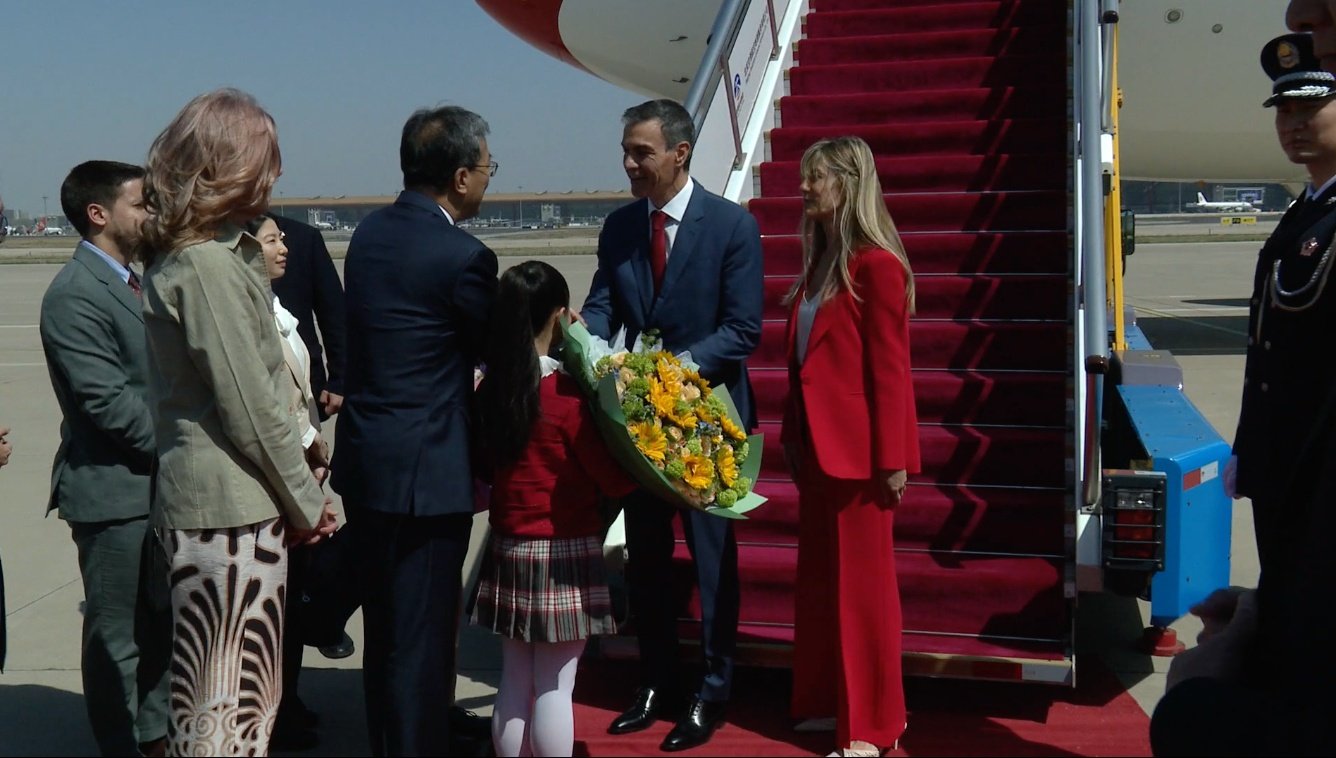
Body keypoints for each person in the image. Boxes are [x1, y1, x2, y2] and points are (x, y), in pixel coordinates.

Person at [139, 88, 336, 756]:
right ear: (225, 166)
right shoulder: (208, 264)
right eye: (264, 160)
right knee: (228, 708)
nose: (274, 175)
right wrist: (308, 502)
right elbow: (251, 406)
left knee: (226, 701)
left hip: (228, 508)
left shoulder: (210, 254)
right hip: (226, 516)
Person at [581, 98, 763, 752]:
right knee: (649, 559)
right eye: (627, 151)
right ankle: (656, 681)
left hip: (708, 420)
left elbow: (742, 330)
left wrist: (670, 374)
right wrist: (582, 347)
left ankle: (712, 691)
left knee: (713, 564)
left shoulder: (732, 228)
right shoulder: (621, 228)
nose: (629, 163)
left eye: (641, 153)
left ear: (679, 154)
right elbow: (603, 311)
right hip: (641, 425)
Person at [331, 104, 499, 756]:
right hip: (426, 476)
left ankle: (405, 731)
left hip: (371, 463)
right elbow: (497, 348)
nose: (490, 180)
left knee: (390, 628)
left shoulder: (372, 234)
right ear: (460, 176)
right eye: (488, 168)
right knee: (422, 632)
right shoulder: (463, 257)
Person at [778, 136, 920, 758]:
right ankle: (825, 701)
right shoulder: (823, 263)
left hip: (862, 458)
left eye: (817, 178)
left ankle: (874, 727)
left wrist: (894, 460)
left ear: (848, 183)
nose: (805, 187)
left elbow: (892, 371)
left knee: (863, 595)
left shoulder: (877, 266)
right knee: (820, 585)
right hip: (818, 451)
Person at [471, 261, 637, 757]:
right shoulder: (565, 397)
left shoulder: (491, 390)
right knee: (555, 685)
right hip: (563, 549)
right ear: (561, 315)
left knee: (515, 679)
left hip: (508, 545)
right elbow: (611, 477)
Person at [37, 160, 172, 757]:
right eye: (143, 203)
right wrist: (186, 449)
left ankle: (154, 735)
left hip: (153, 491)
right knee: (117, 637)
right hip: (113, 495)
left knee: (160, 629)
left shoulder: (135, 281)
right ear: (99, 213)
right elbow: (109, 404)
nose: (152, 214)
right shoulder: (74, 295)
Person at [1227, 33, 1336, 582]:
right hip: (1285, 461)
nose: (1294, 123)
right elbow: (1267, 348)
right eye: (1284, 110)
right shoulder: (1306, 211)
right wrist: (1252, 449)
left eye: (1311, 107)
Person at [247, 214, 331, 750]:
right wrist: (307, 448)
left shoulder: (277, 307)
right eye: (273, 239)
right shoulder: (248, 313)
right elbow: (268, 407)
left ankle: (286, 699)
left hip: (302, 467)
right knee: (270, 607)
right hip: (278, 479)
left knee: (292, 598)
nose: (285, 247)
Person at [269, 213, 346, 420]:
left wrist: (340, 378)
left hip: (306, 383)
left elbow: (334, 314)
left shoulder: (304, 238)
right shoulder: (212, 240)